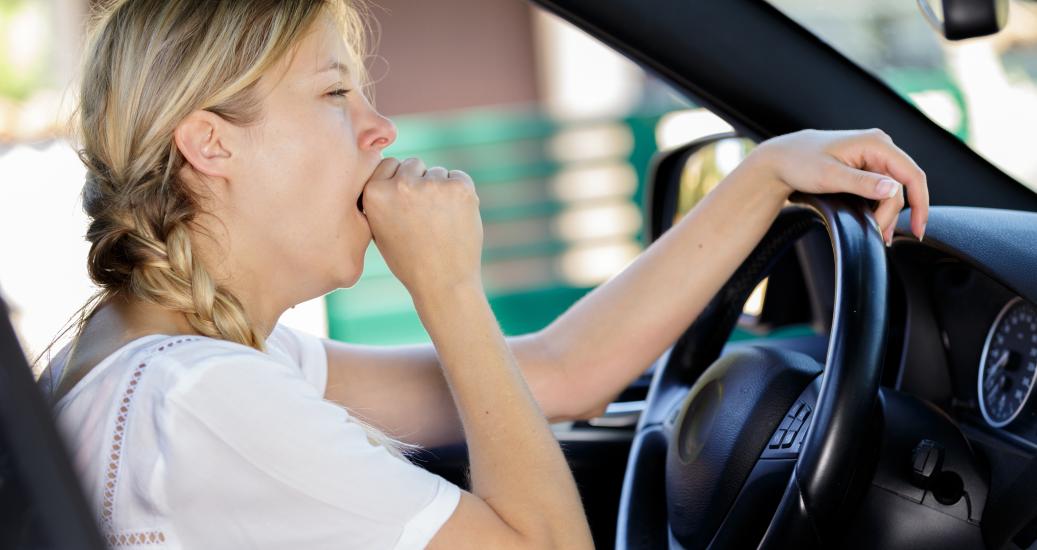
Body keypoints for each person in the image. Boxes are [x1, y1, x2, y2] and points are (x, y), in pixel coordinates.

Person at [35, 0, 929, 548]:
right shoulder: (206, 403)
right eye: (336, 94)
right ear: (210, 145)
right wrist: (448, 289)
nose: (380, 129)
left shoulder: (172, 360)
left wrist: (762, 176)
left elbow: (558, 375)